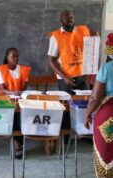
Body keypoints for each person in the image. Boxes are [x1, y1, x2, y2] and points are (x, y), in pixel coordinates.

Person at [48, 9, 98, 131]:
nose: (69, 19)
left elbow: (91, 41)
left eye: (71, 17)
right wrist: (64, 77)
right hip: (65, 79)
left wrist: (94, 36)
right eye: (66, 17)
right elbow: (52, 61)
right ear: (61, 20)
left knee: (85, 105)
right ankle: (65, 134)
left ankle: (84, 132)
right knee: (66, 106)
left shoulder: (83, 30)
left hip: (82, 75)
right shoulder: (56, 36)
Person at [85, 33, 113, 178]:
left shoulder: (106, 68)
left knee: (106, 151)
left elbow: (95, 97)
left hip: (108, 115)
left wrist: (87, 114)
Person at [0, 47, 31, 159]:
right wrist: (13, 92)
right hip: (6, 99)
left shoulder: (24, 70)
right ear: (7, 57)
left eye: (17, 56)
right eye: (13, 56)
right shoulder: (1, 70)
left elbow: (24, 88)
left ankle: (19, 141)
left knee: (21, 115)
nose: (16, 58)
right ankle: (18, 144)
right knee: (14, 115)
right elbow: (2, 89)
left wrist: (20, 93)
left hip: (20, 99)